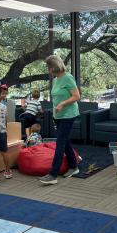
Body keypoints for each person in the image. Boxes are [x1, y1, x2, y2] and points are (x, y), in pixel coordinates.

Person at [39, 55, 79, 185]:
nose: (47, 69)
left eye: (48, 67)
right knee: (65, 141)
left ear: (53, 67)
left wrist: (63, 103)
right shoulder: (56, 79)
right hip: (58, 116)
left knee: (60, 143)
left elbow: (77, 96)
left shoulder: (68, 78)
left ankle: (53, 174)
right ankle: (74, 166)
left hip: (68, 114)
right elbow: (56, 97)